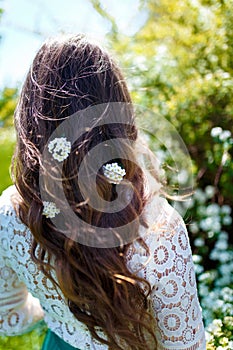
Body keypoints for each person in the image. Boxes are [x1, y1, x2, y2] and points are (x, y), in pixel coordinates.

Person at [0, 34, 206, 350]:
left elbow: (8, 317)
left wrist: (55, 309)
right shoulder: (159, 229)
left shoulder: (10, 210)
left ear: (32, 116)